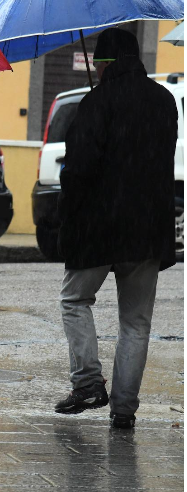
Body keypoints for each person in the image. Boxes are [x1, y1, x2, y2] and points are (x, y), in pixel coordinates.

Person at [54, 27, 179, 429]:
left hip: (98, 226)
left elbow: (80, 169)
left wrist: (67, 213)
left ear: (105, 63)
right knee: (136, 322)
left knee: (75, 300)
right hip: (146, 227)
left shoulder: (96, 102)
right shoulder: (163, 101)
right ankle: (124, 410)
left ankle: (88, 381)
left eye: (98, 61)